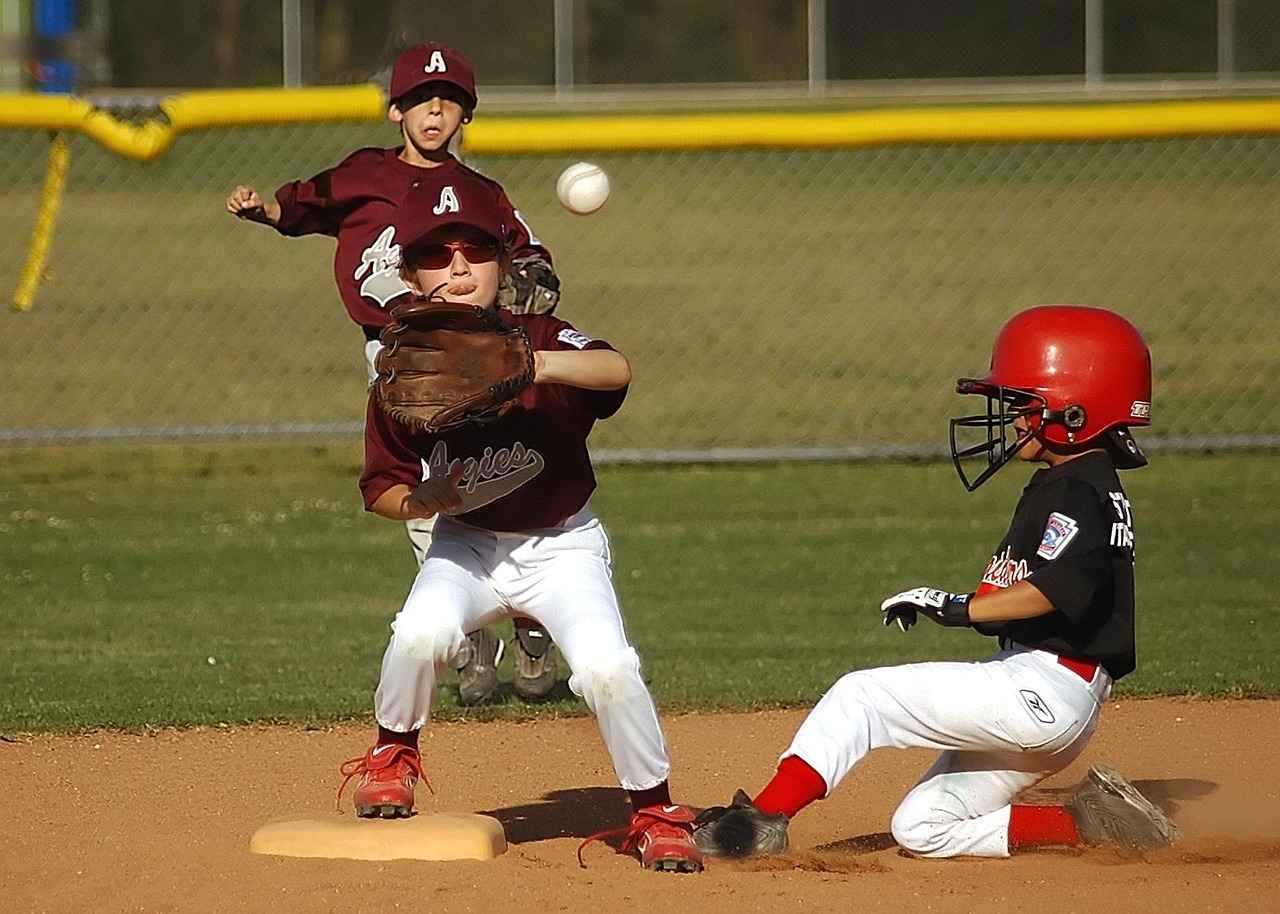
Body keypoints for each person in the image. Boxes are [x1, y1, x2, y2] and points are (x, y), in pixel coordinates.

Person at [692, 305, 1179, 860]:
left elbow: (1055, 590)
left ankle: (758, 823)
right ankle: (1093, 825)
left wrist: (957, 606)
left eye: (1026, 405)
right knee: (922, 827)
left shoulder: (1076, 491)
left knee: (862, 697)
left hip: (1041, 691)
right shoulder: (1083, 484)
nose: (1015, 419)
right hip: (1052, 695)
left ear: (1076, 410)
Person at [335, 172, 704, 874]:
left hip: (562, 546)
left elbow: (615, 369)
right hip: (467, 546)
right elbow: (380, 485)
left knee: (606, 668)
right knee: (420, 632)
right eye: (437, 257)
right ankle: (393, 753)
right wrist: (421, 503)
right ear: (410, 273)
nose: (458, 269)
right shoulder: (403, 366)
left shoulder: (539, 334)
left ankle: (655, 809)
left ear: (503, 262)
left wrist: (536, 364)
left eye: (474, 253)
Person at [224, 42, 561, 705]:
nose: (434, 110)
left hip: (474, 354)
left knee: (502, 481)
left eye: (449, 101)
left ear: (466, 116)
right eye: (419, 100)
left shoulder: (479, 192)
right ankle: (471, 651)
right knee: (424, 498)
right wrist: (262, 211)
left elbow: (528, 250)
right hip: (391, 353)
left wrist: (536, 276)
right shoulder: (362, 176)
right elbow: (302, 208)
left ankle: (530, 625)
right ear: (394, 111)